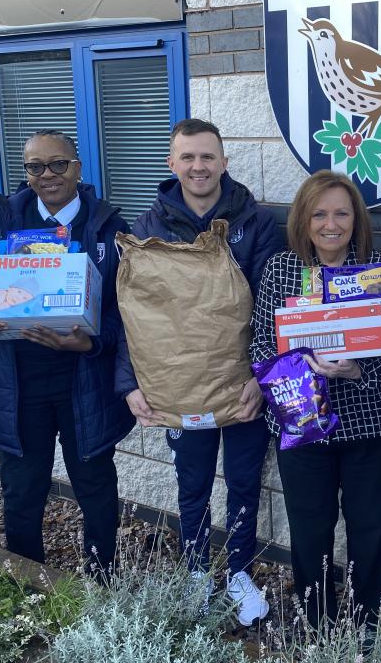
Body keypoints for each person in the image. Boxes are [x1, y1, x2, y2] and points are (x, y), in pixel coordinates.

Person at [115, 118, 280, 625]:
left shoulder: (256, 223)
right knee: (192, 482)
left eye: (207, 156)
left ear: (224, 162)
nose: (198, 166)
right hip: (180, 387)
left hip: (243, 386)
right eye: (187, 157)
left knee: (245, 480)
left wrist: (264, 377)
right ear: (172, 164)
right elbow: (130, 312)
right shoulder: (150, 227)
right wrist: (129, 382)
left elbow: (274, 304)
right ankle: (192, 571)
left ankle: (239, 571)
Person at [0, 130, 133, 574]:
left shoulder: (109, 227)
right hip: (15, 382)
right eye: (35, 167)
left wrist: (92, 341)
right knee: (21, 489)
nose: (47, 175)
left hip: (83, 382)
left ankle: (103, 584)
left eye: (58, 164)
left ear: (78, 167)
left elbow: (128, 310)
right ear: (26, 171)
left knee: (96, 487)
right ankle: (27, 584)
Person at [250, 170, 381, 625]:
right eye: (319, 213)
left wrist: (357, 369)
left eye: (341, 212)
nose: (330, 224)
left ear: (356, 219)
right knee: (309, 528)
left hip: (371, 425)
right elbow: (261, 343)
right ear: (303, 220)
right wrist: (305, 371)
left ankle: (364, 625)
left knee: (366, 528)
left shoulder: (376, 272)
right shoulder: (282, 269)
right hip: (303, 425)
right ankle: (317, 623)